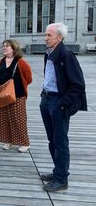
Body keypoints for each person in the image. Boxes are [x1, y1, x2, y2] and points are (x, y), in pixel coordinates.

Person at [39, 23, 87, 192]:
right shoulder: (49, 53)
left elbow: (78, 85)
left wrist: (62, 104)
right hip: (46, 99)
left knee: (60, 141)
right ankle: (58, 171)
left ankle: (61, 179)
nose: (45, 38)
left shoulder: (66, 55)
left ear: (59, 37)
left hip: (57, 102)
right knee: (52, 140)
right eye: (46, 35)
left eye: (49, 35)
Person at [0, 39, 32, 153]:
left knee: (18, 119)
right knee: (3, 118)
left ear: (14, 48)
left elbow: (28, 78)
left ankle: (25, 143)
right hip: (2, 95)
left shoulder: (20, 62)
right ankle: (8, 140)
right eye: (3, 46)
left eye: (7, 46)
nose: (4, 48)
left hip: (18, 95)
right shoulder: (1, 61)